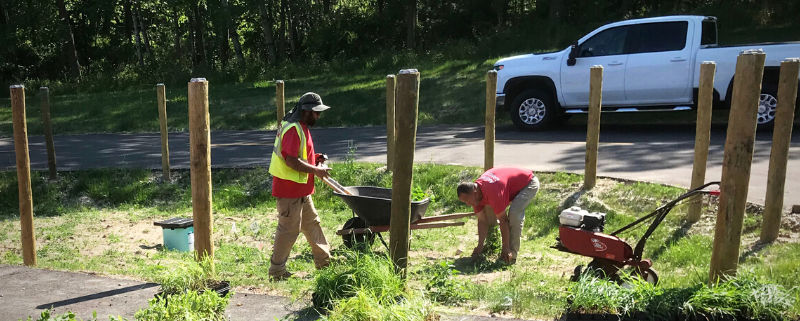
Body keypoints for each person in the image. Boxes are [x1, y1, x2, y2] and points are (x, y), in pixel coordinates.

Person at [268, 92, 333, 280]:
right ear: (305, 111)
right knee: (288, 231)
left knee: (313, 225)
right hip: (289, 191)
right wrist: (316, 170)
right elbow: (291, 161)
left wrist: (316, 159)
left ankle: (325, 262)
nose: (318, 116)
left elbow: (299, 154)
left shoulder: (300, 125)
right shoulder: (293, 129)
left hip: (301, 189)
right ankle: (277, 272)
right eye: (316, 112)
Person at [457, 167, 539, 264]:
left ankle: (511, 257)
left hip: (528, 183)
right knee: (509, 214)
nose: (467, 204)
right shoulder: (476, 195)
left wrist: (505, 247)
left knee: (514, 215)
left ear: (475, 193)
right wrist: (480, 246)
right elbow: (482, 220)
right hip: (510, 185)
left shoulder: (492, 192)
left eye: (467, 200)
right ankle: (506, 254)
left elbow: (503, 220)